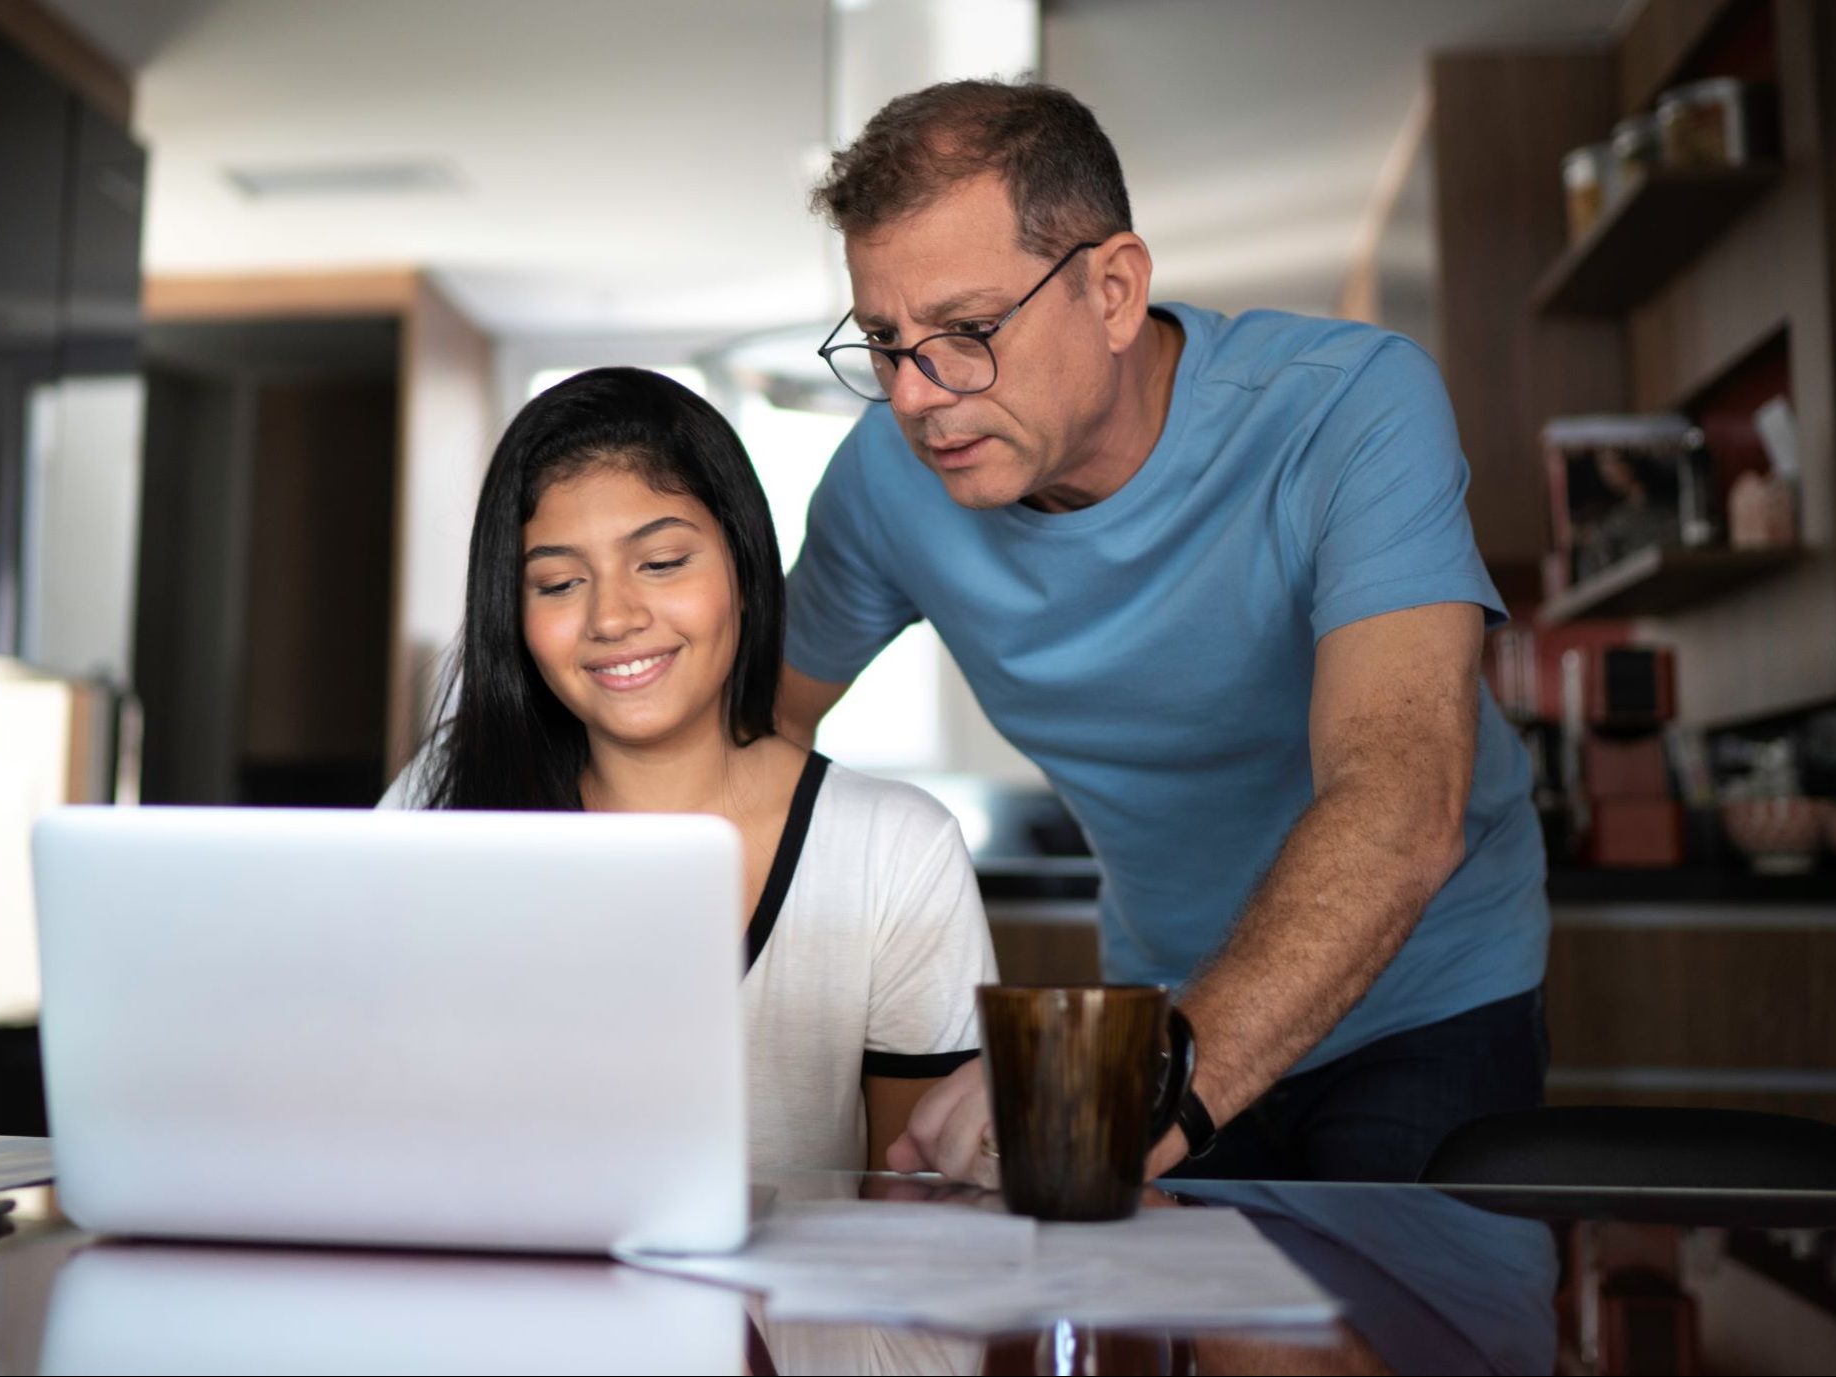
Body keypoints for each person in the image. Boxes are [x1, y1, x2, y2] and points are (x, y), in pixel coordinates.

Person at [781, 80, 1550, 1185]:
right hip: (1159, 998)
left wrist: (1144, 1080)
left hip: (1423, 1002)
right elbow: (755, 734)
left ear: (1111, 290)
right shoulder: (882, 485)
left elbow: (1400, 802)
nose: (913, 396)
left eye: (965, 331)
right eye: (884, 343)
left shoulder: (1347, 408)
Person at [383, 366, 998, 1174]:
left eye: (663, 562)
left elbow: (923, 1209)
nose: (611, 617)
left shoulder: (894, 851)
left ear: (743, 568)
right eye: (559, 582)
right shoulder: (441, 803)